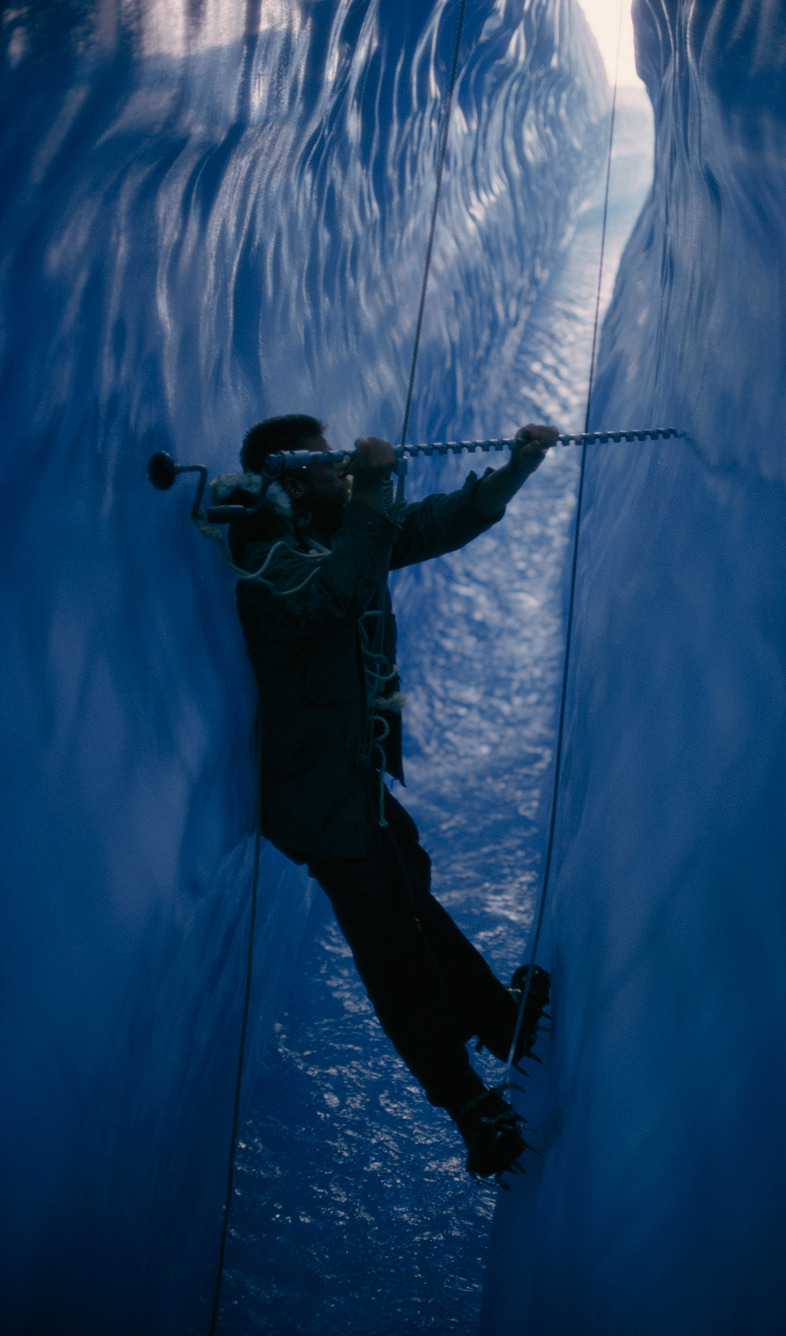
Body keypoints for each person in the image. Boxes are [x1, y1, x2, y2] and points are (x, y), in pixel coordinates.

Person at [220, 413, 557, 1179]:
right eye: (329, 459)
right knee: (393, 946)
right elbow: (326, 599)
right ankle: (469, 1106)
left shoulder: (341, 531)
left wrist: (513, 472)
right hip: (317, 800)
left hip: (347, 783)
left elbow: (425, 524)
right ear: (292, 476)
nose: (344, 467)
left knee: (409, 885)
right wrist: (372, 494)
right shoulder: (262, 556)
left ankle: (499, 1023)